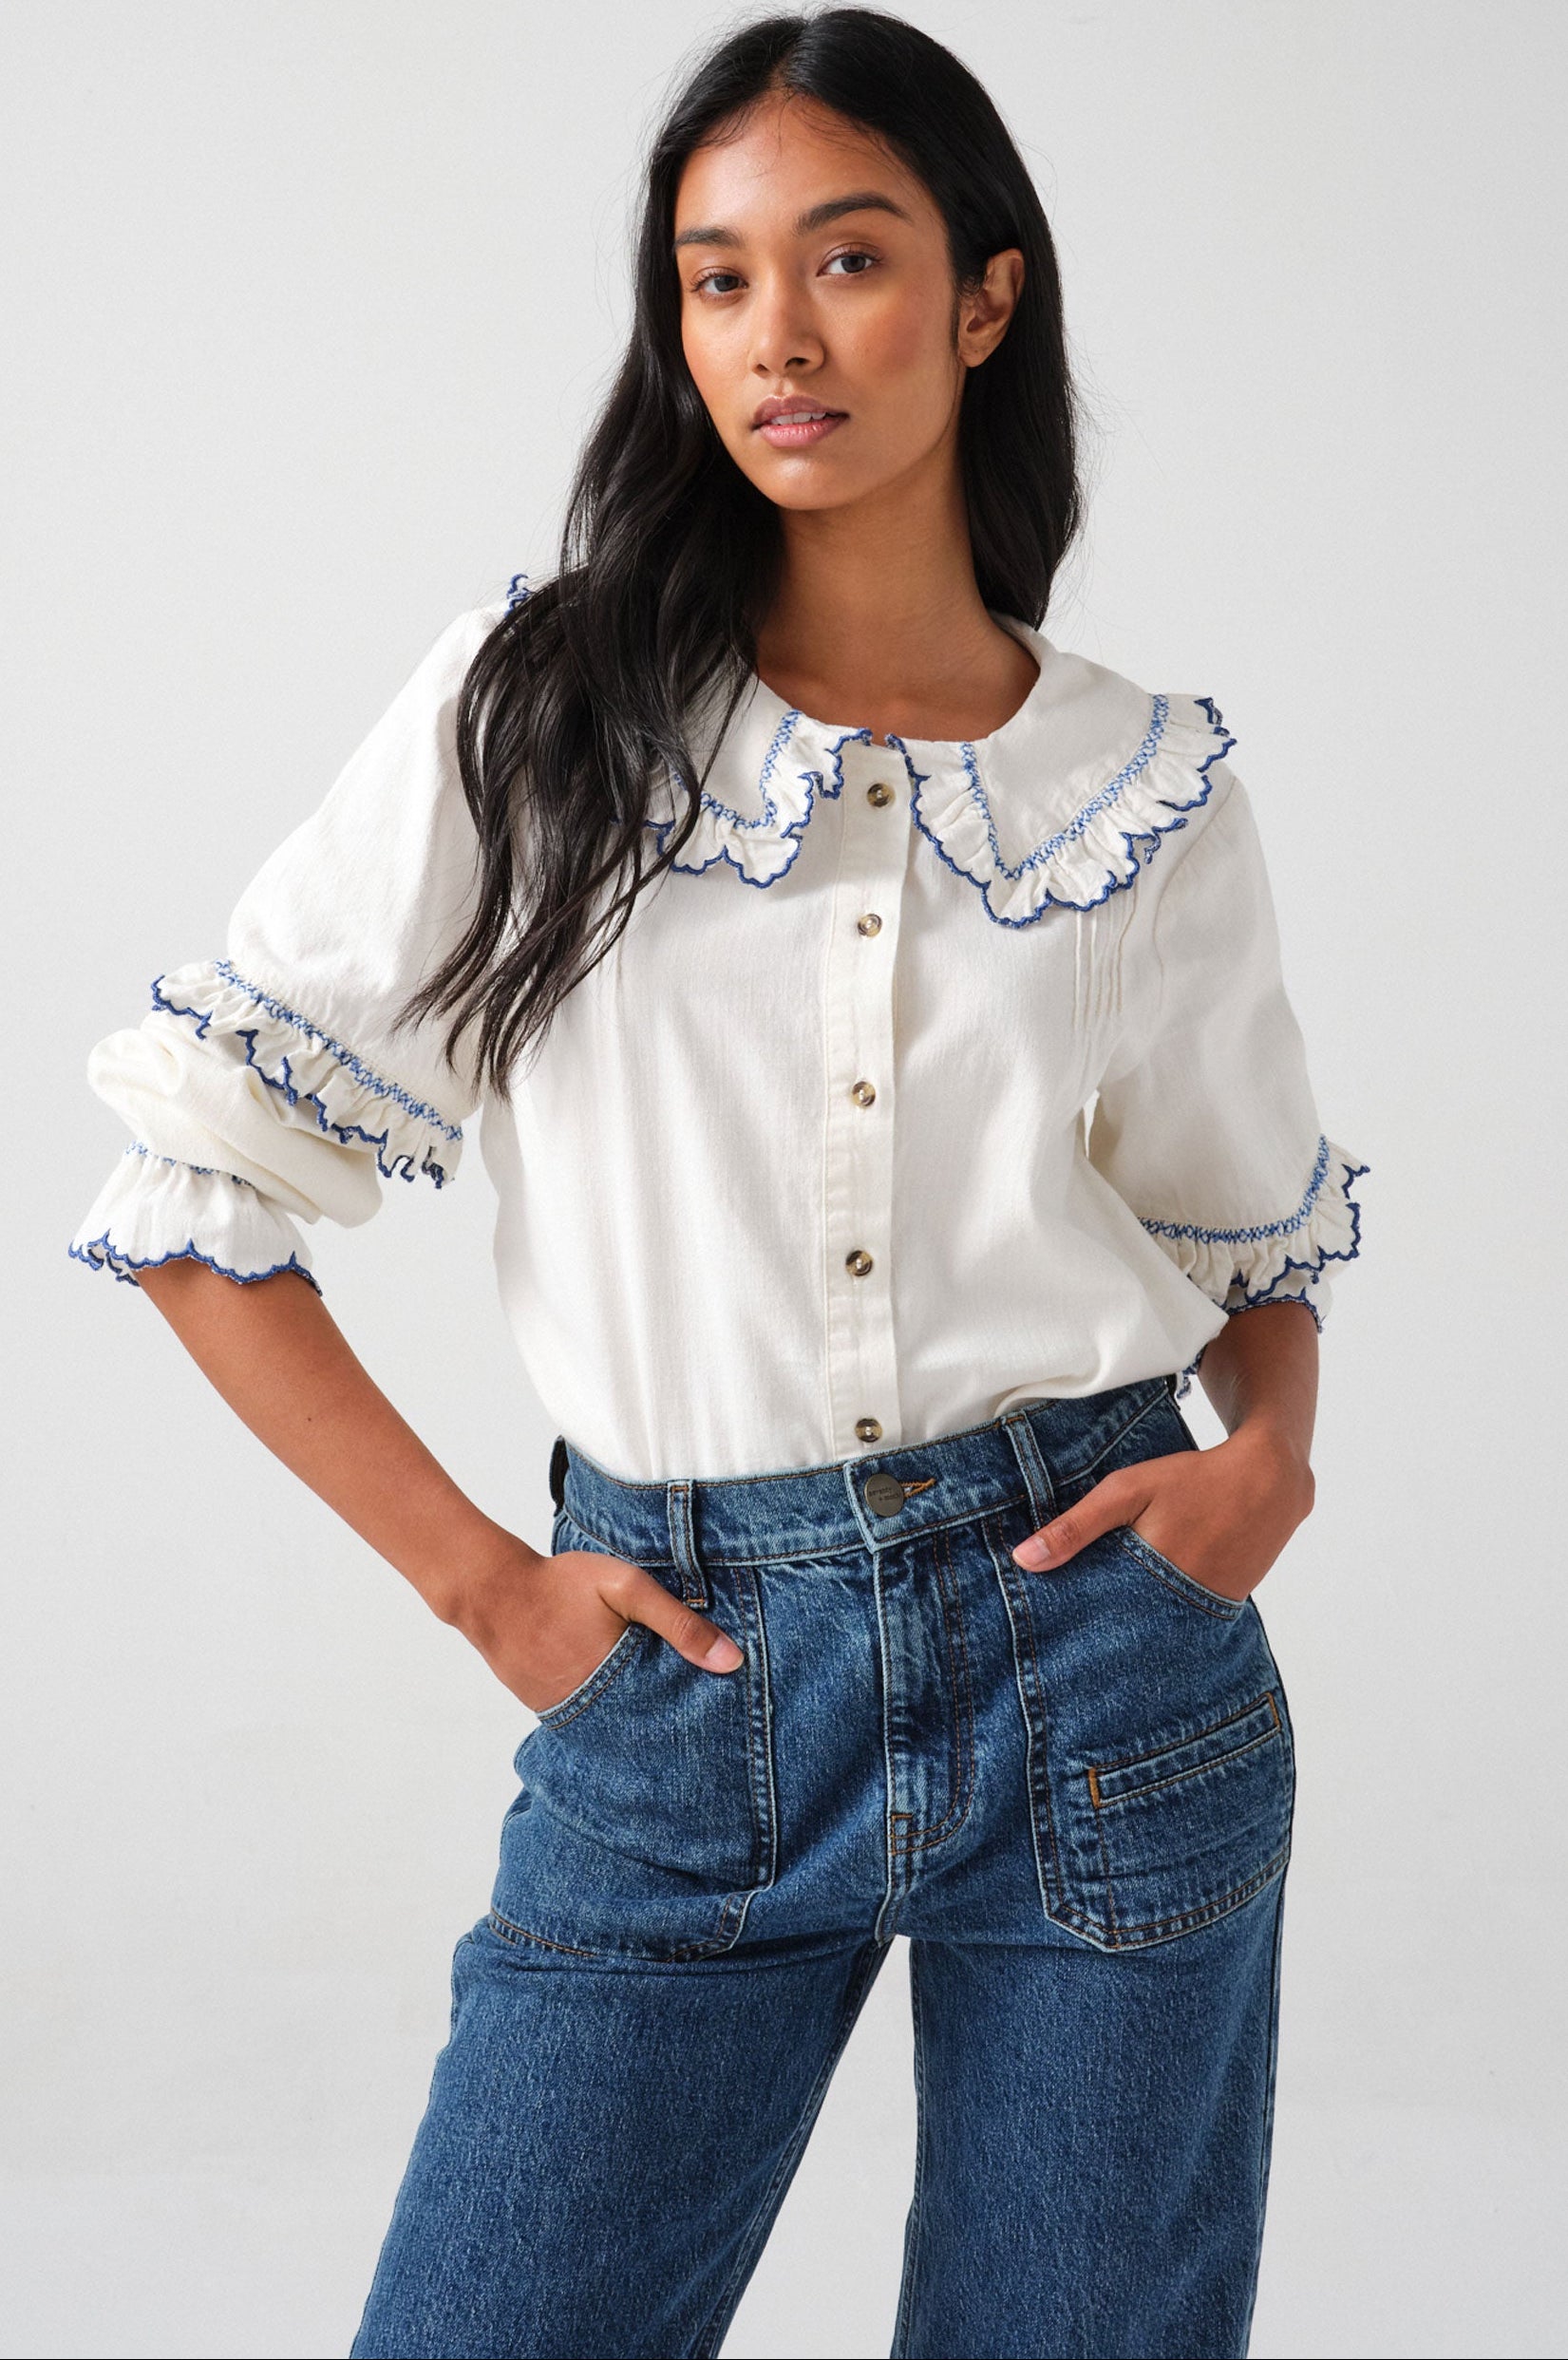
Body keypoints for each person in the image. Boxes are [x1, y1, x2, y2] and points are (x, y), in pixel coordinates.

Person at [69, 10, 1369, 2356]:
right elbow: (192, 1188)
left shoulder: (1138, 783)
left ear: (984, 298)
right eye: (713, 276)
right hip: (683, 1680)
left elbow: (1238, 1239)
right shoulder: (539, 709)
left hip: (1106, 1658)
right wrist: (489, 1589)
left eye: (848, 260)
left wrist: (1270, 1448)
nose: (777, 336)